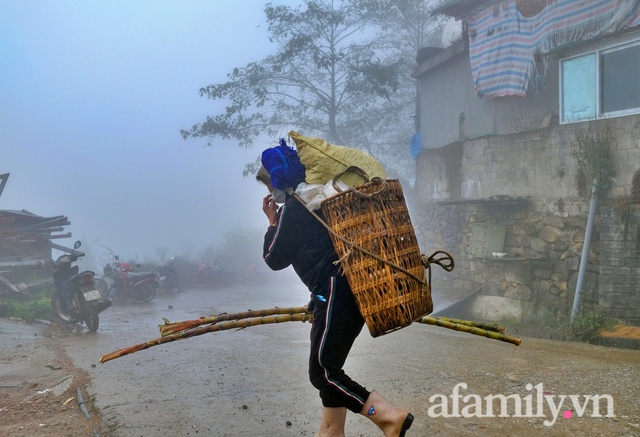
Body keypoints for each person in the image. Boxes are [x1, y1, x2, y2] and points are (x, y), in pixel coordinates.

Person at [258, 141, 413, 437]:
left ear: (278, 182)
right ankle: (331, 432)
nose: (268, 194)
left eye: (268, 185)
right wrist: (315, 301)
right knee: (332, 369)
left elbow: (273, 258)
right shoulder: (317, 204)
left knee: (323, 373)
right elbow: (320, 256)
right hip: (337, 293)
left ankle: (388, 416)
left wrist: (271, 222)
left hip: (334, 293)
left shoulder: (295, 209)